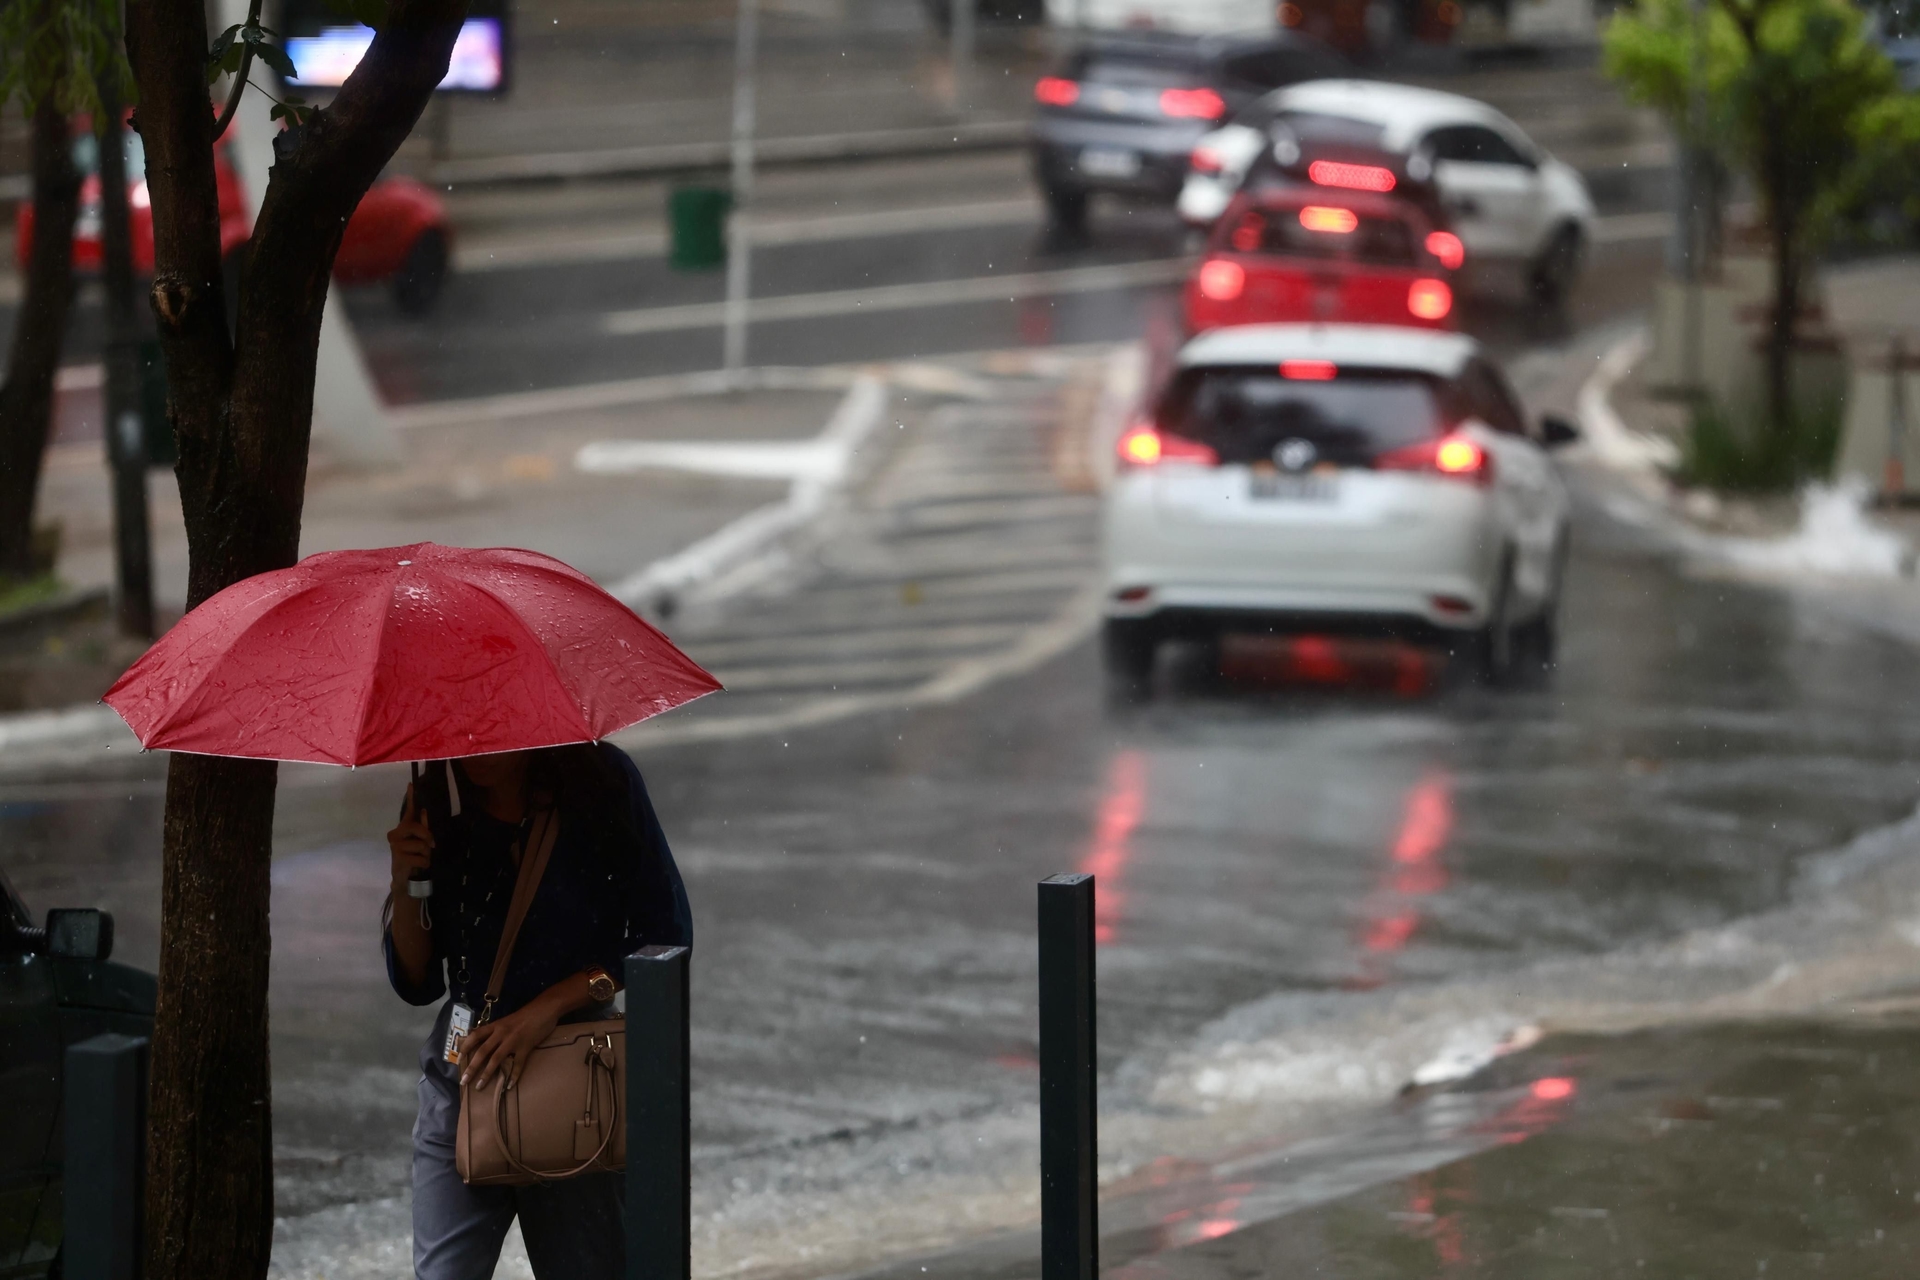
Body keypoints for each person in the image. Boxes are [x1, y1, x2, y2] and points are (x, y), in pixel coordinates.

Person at [384, 741, 691, 1280]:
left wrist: (547, 1009)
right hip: (464, 1077)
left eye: (489, 718)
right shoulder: (438, 795)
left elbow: (663, 935)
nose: (472, 742)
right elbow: (418, 982)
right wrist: (406, 882)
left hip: (575, 1085)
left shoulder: (600, 779)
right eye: (461, 723)